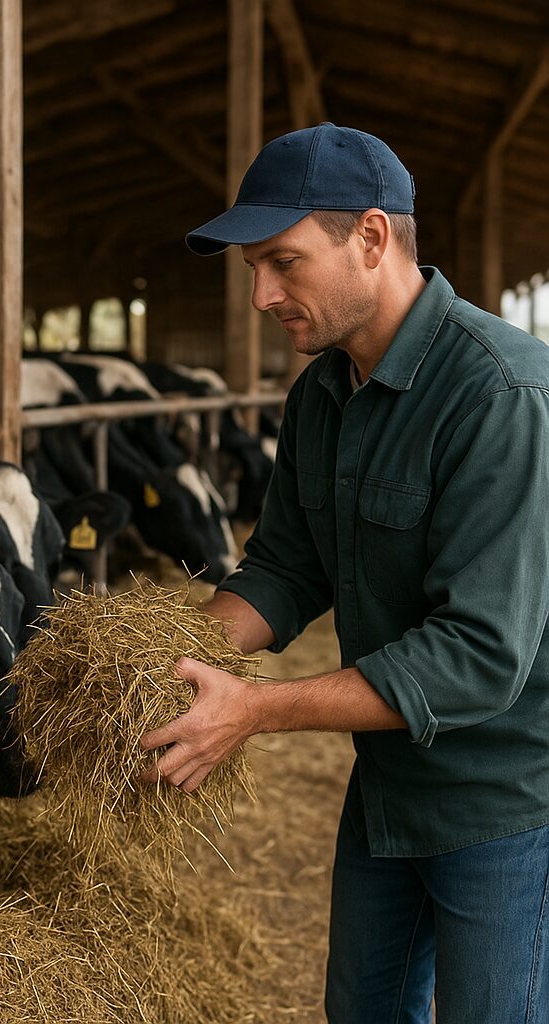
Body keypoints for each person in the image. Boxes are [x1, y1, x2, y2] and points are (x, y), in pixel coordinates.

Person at [140, 122, 549, 1023]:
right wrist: (164, 662)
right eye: (253, 268)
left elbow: (479, 654)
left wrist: (254, 710)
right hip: (389, 787)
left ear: (371, 238)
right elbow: (286, 567)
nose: (260, 294)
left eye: (282, 262)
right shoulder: (323, 393)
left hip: (508, 798)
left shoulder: (503, 396)